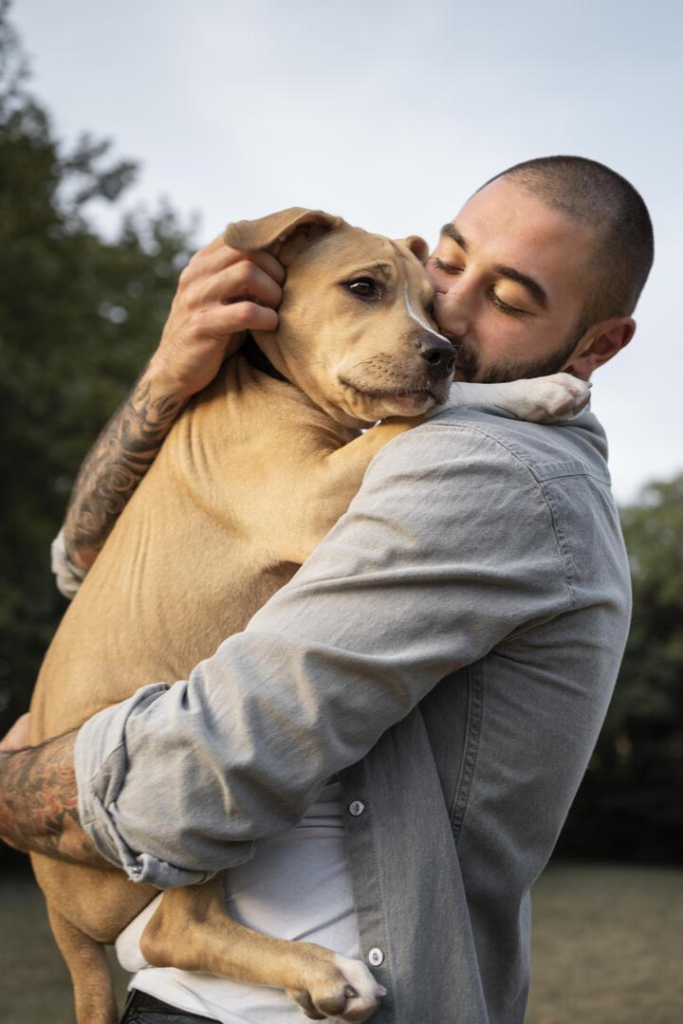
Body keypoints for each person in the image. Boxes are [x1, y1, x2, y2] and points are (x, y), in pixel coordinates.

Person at [0, 156, 653, 1024]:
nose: (442, 320)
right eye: (447, 265)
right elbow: (85, 562)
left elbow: (194, 780)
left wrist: (12, 786)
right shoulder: (333, 422)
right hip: (186, 982)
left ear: (597, 344)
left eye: (507, 300)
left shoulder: (487, 463)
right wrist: (168, 378)